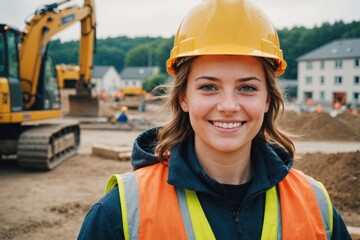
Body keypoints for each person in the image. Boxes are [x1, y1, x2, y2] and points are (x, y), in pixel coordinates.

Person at [78, 0, 351, 239]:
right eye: (209, 87)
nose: (229, 106)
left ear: (267, 99)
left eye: (247, 88)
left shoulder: (317, 207)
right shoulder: (121, 214)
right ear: (183, 98)